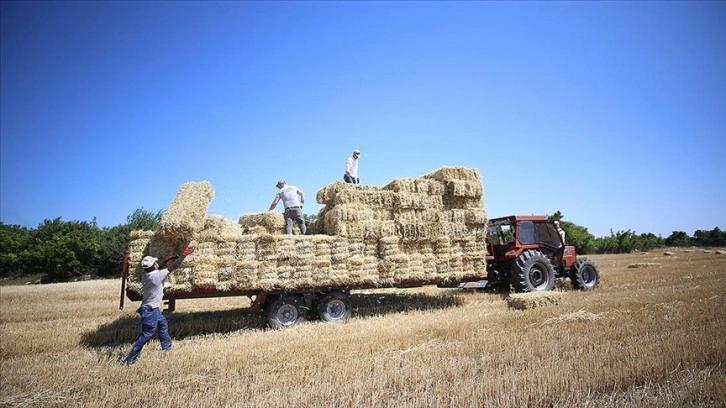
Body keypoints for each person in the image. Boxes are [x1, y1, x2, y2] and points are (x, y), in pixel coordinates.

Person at [121, 246, 193, 365]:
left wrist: (166, 259)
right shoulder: (157, 276)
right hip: (150, 311)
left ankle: (167, 349)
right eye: (155, 263)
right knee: (146, 334)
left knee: (163, 324)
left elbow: (158, 266)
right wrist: (184, 255)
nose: (157, 264)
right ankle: (129, 359)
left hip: (151, 309)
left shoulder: (146, 275)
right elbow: (174, 266)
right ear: (154, 266)